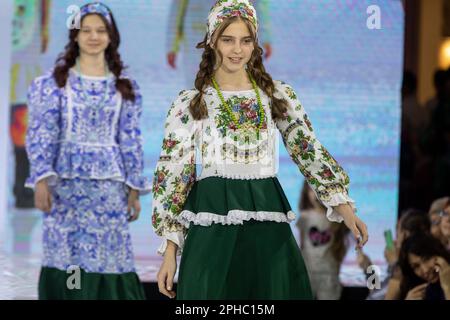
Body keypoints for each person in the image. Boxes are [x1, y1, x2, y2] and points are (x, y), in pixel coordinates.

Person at [152, 0, 368, 300]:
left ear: (255, 44)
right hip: (211, 223)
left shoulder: (277, 96)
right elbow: (174, 178)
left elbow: (309, 151)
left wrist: (345, 208)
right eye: (227, 39)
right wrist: (169, 253)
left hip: (268, 222)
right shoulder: (190, 103)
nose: (237, 49)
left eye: (245, 40)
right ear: (212, 41)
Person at [25, 2, 150, 299]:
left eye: (101, 30)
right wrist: (41, 179)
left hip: (109, 188)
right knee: (68, 254)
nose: (93, 37)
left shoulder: (124, 86)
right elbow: (42, 133)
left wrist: (133, 186)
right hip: (64, 188)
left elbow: (130, 139)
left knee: (109, 253)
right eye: (86, 30)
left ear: (111, 36)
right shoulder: (54, 83)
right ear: (75, 36)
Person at [296, 181, 350, 300]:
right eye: (311, 190)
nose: (315, 195)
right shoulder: (305, 217)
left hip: (329, 274)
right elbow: (301, 245)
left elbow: (343, 244)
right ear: (306, 193)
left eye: (319, 191)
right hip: (308, 273)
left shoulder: (336, 218)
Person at [398, 233, 450, 300]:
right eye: (416, 266)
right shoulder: (424, 291)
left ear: (438, 252)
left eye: (427, 258)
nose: (425, 270)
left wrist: (447, 286)